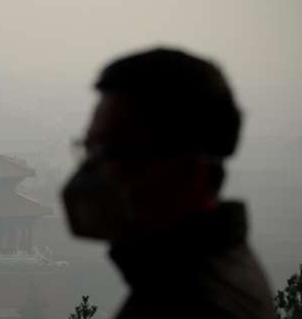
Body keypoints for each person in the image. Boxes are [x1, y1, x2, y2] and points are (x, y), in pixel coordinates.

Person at [61, 48, 276, 319]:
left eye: (113, 151)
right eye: (90, 149)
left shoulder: (190, 306)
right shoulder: (198, 273)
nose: (90, 170)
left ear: (190, 169)